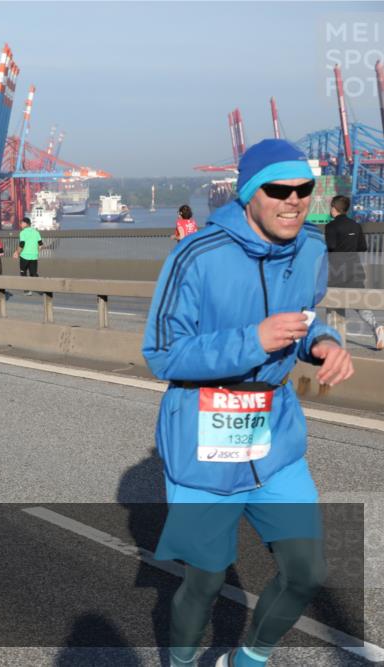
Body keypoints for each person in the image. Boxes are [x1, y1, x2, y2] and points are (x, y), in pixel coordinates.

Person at [142, 139, 354, 667]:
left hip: (274, 434)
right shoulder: (196, 254)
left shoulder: (310, 249)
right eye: (279, 190)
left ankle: (248, 661)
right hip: (203, 436)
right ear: (249, 194)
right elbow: (163, 355)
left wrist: (323, 343)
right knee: (206, 580)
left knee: (306, 571)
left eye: (304, 189)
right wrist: (252, 339)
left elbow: (303, 321)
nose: (294, 200)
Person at [325, 194, 384, 350]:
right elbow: (362, 247)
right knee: (359, 304)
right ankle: (377, 328)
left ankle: (335, 340)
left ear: (334, 208)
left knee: (333, 302)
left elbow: (330, 246)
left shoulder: (331, 226)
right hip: (355, 270)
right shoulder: (356, 225)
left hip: (336, 271)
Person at [15, 216, 43, 294]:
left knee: (23, 272)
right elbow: (41, 245)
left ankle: (27, 290)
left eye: (21, 223)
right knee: (33, 273)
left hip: (24, 256)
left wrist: (17, 253)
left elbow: (22, 244)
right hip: (34, 256)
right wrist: (36, 252)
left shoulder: (23, 232)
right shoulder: (36, 232)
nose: (20, 224)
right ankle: (40, 288)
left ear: (25, 223)